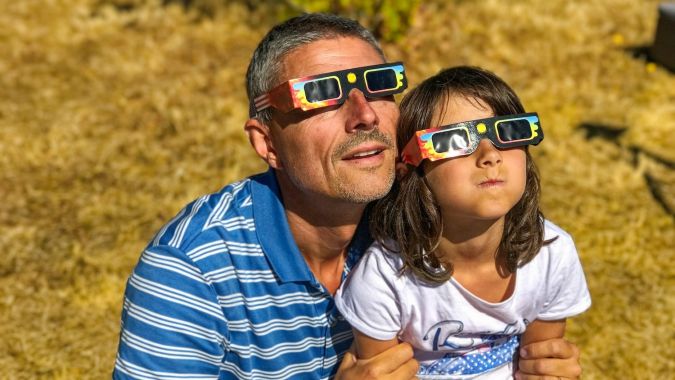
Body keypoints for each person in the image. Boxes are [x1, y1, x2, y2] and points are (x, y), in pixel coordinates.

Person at [113, 13, 584, 380]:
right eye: (320, 95)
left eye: (378, 86)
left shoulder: (423, 206)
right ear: (266, 142)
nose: (363, 116)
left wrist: (541, 361)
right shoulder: (190, 270)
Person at [334, 66, 592, 379]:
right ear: (408, 171)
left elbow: (542, 364)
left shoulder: (552, 255)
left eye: (507, 132)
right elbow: (380, 372)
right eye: (456, 140)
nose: (490, 154)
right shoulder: (384, 279)